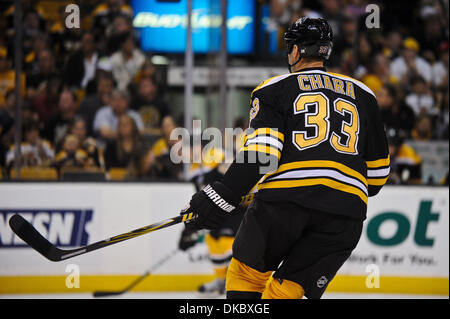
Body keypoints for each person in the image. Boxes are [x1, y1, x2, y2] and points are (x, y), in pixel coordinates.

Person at [180, 17, 390, 299]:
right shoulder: (365, 95)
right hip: (346, 212)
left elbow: (262, 155)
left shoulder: (274, 88)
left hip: (285, 202)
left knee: (246, 277)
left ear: (295, 51)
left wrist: (221, 196)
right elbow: (376, 177)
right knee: (285, 291)